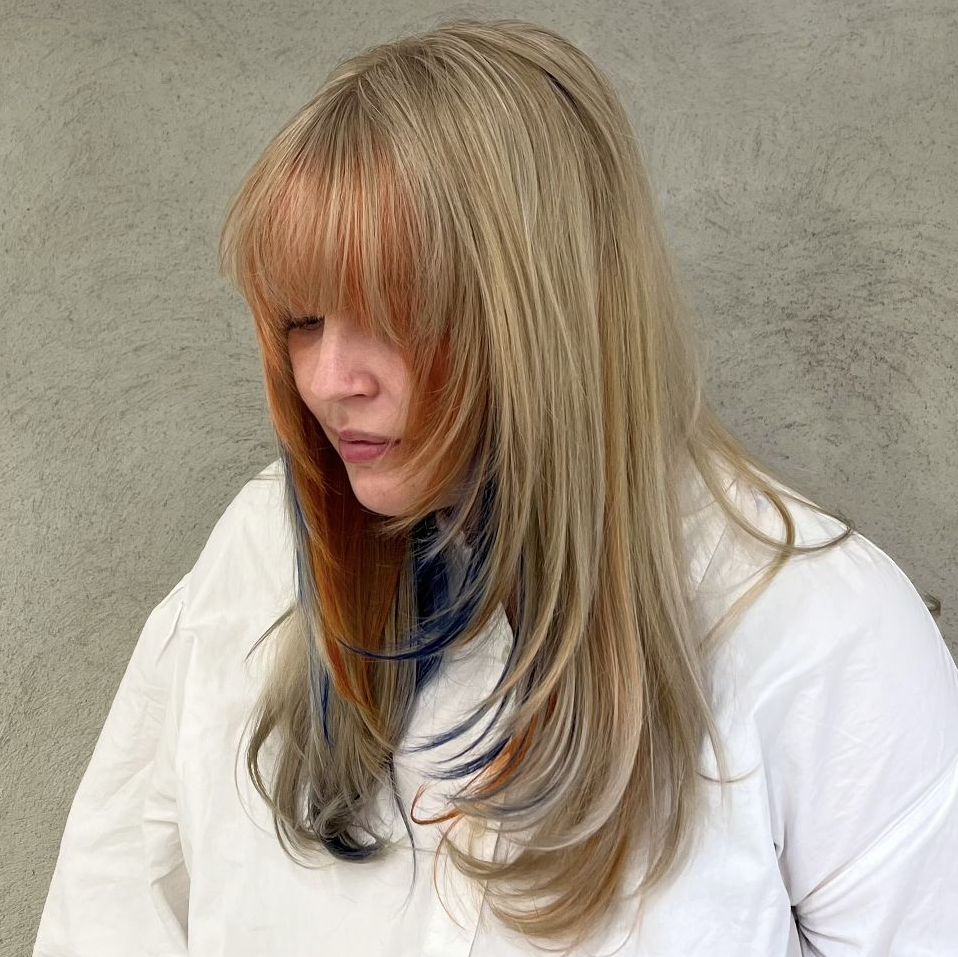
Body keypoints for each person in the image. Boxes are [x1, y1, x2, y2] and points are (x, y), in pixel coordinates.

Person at [34, 16, 958, 957]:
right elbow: (108, 914)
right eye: (304, 319)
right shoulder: (251, 565)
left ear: (545, 309)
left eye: (394, 310)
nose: (328, 379)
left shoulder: (820, 631)